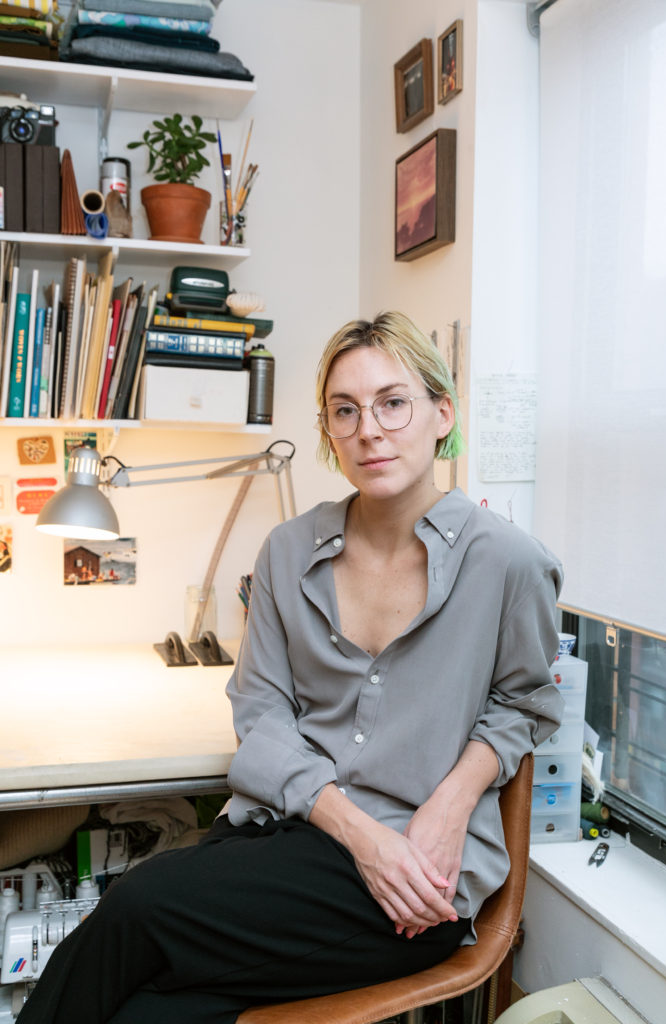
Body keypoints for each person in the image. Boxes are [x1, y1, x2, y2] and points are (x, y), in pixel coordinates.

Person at [17, 311, 563, 1024]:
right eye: (345, 410)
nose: (369, 429)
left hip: (413, 881)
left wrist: (449, 803)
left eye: (393, 403)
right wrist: (359, 835)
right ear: (328, 432)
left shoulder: (510, 563)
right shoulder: (288, 551)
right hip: (292, 832)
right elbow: (261, 713)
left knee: (135, 907)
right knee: (146, 1013)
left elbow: (524, 702)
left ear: (442, 414)